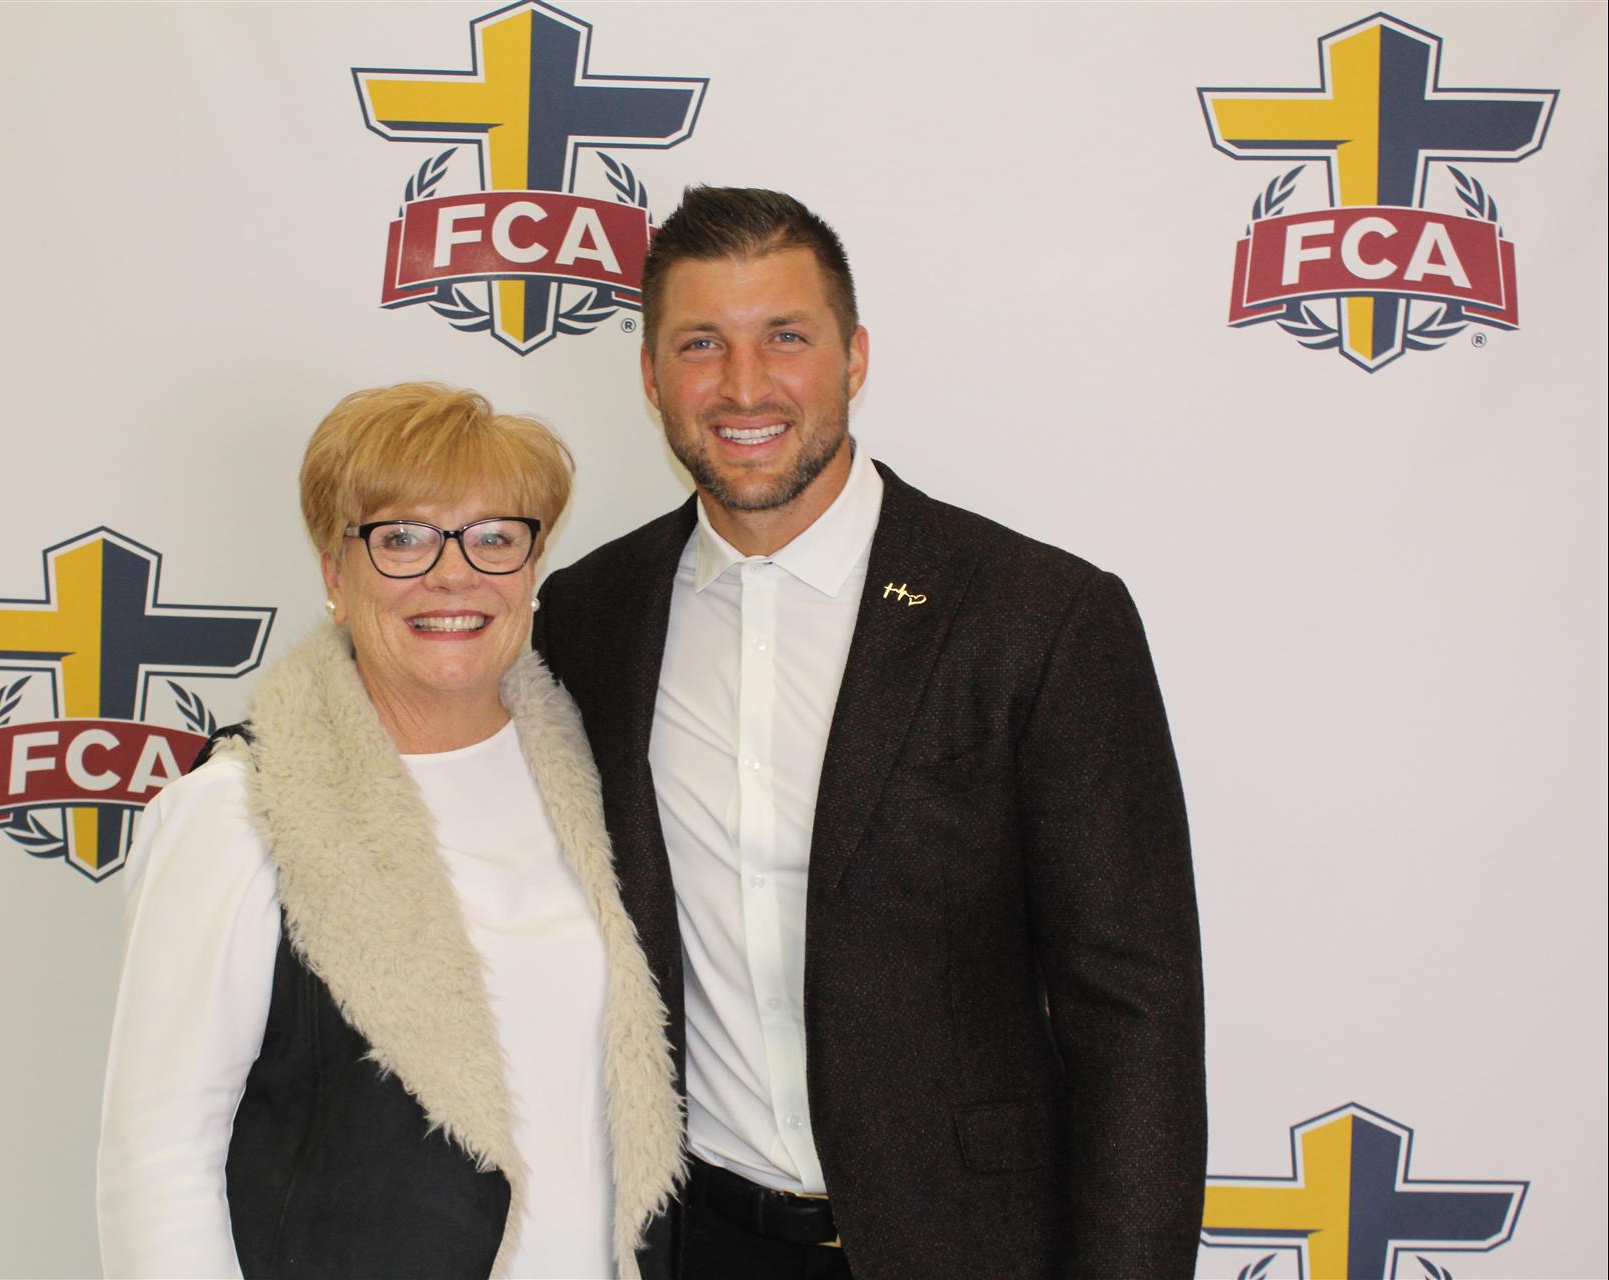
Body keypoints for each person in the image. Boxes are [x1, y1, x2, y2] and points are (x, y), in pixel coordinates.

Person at [534, 187, 1206, 1279]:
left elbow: (1135, 1009)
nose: (743, 386)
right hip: (695, 1243)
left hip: (970, 1249)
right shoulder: (591, 612)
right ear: (651, 376)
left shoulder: (1039, 617)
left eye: (785, 337)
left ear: (853, 357)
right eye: (701, 344)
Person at [98, 383, 685, 1279]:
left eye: (494, 538)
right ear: (336, 576)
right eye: (403, 537)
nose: (454, 575)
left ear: (532, 569)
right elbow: (158, 1164)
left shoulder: (599, 785)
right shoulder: (241, 810)